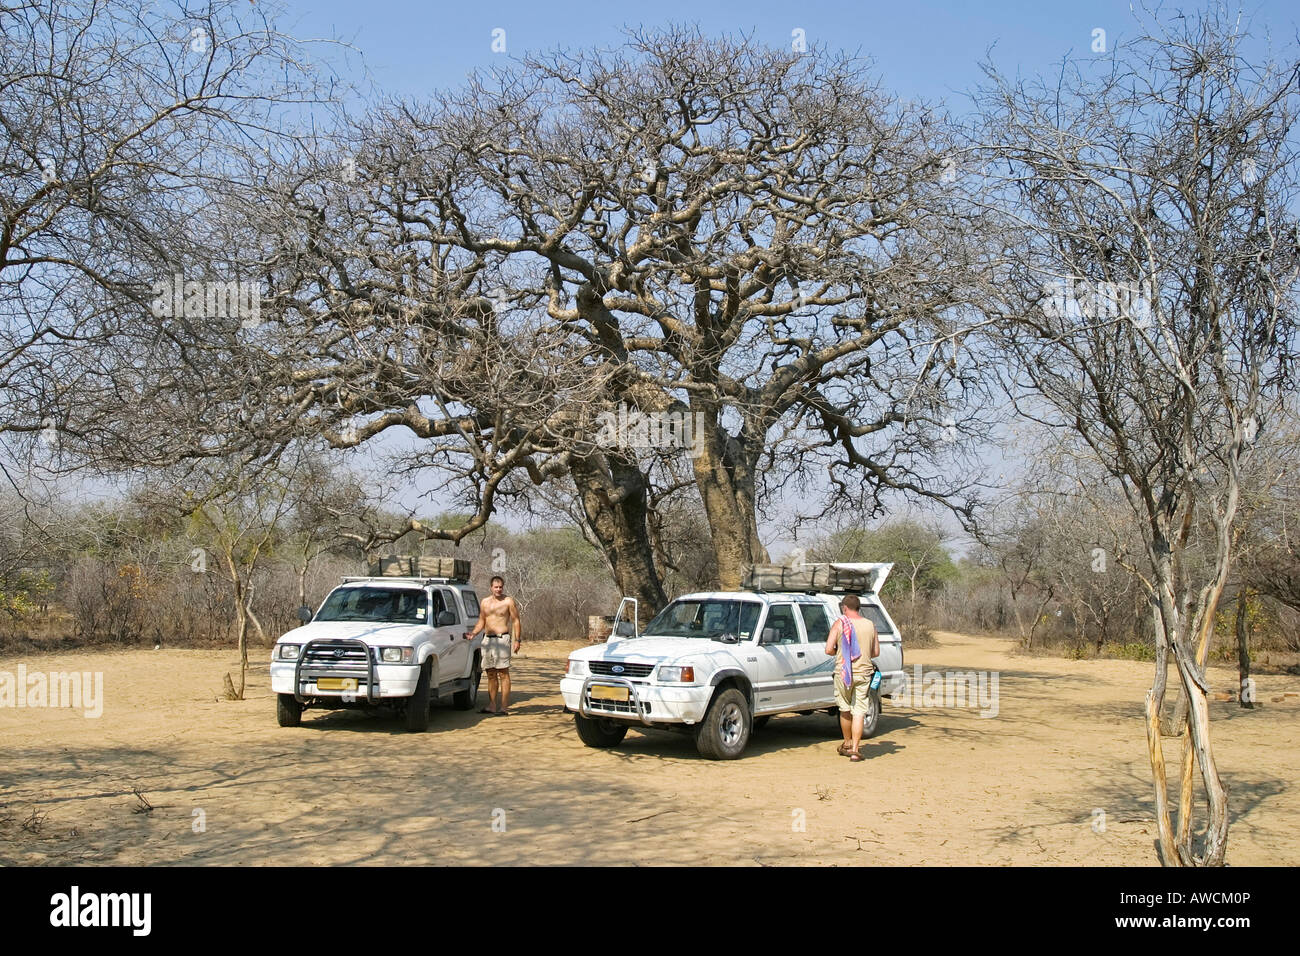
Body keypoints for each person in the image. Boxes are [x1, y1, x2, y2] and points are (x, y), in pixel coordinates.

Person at [824, 594, 879, 761]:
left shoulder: (840, 623)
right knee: (859, 711)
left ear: (845, 608)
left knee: (845, 709)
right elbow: (875, 652)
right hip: (864, 673)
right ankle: (855, 749)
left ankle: (847, 743)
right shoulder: (870, 625)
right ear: (859, 607)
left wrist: (839, 652)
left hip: (843, 673)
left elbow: (828, 649)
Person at [466, 575, 522, 716]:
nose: (498, 589)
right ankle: (492, 705)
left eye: (500, 587)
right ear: (491, 587)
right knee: (490, 674)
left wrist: (517, 640)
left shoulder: (508, 601)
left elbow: (516, 621)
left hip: (502, 639)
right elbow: (481, 621)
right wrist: (473, 633)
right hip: (487, 640)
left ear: (503, 587)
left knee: (503, 673)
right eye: (496, 587)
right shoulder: (485, 602)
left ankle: (504, 707)